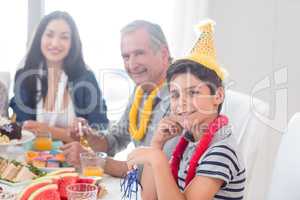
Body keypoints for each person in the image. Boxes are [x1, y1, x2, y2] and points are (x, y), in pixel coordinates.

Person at [127, 20, 246, 199]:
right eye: (175, 95)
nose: (181, 103)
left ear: (218, 96)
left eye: (192, 92)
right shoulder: (189, 142)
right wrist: (157, 146)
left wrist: (157, 159)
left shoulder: (221, 151)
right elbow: (149, 198)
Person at [61, 20, 176, 177]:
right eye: (126, 56)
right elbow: (116, 140)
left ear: (163, 54)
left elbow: (150, 170)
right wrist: (88, 135)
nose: (131, 64)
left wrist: (90, 160)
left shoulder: (180, 98)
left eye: (139, 53)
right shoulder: (142, 87)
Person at [10, 11, 108, 142]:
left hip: (76, 160)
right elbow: (24, 128)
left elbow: (101, 131)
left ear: (72, 43)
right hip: (33, 159)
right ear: (40, 38)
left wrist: (50, 131)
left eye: (64, 37)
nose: (55, 43)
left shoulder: (85, 77)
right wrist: (70, 135)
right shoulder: (25, 77)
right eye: (49, 35)